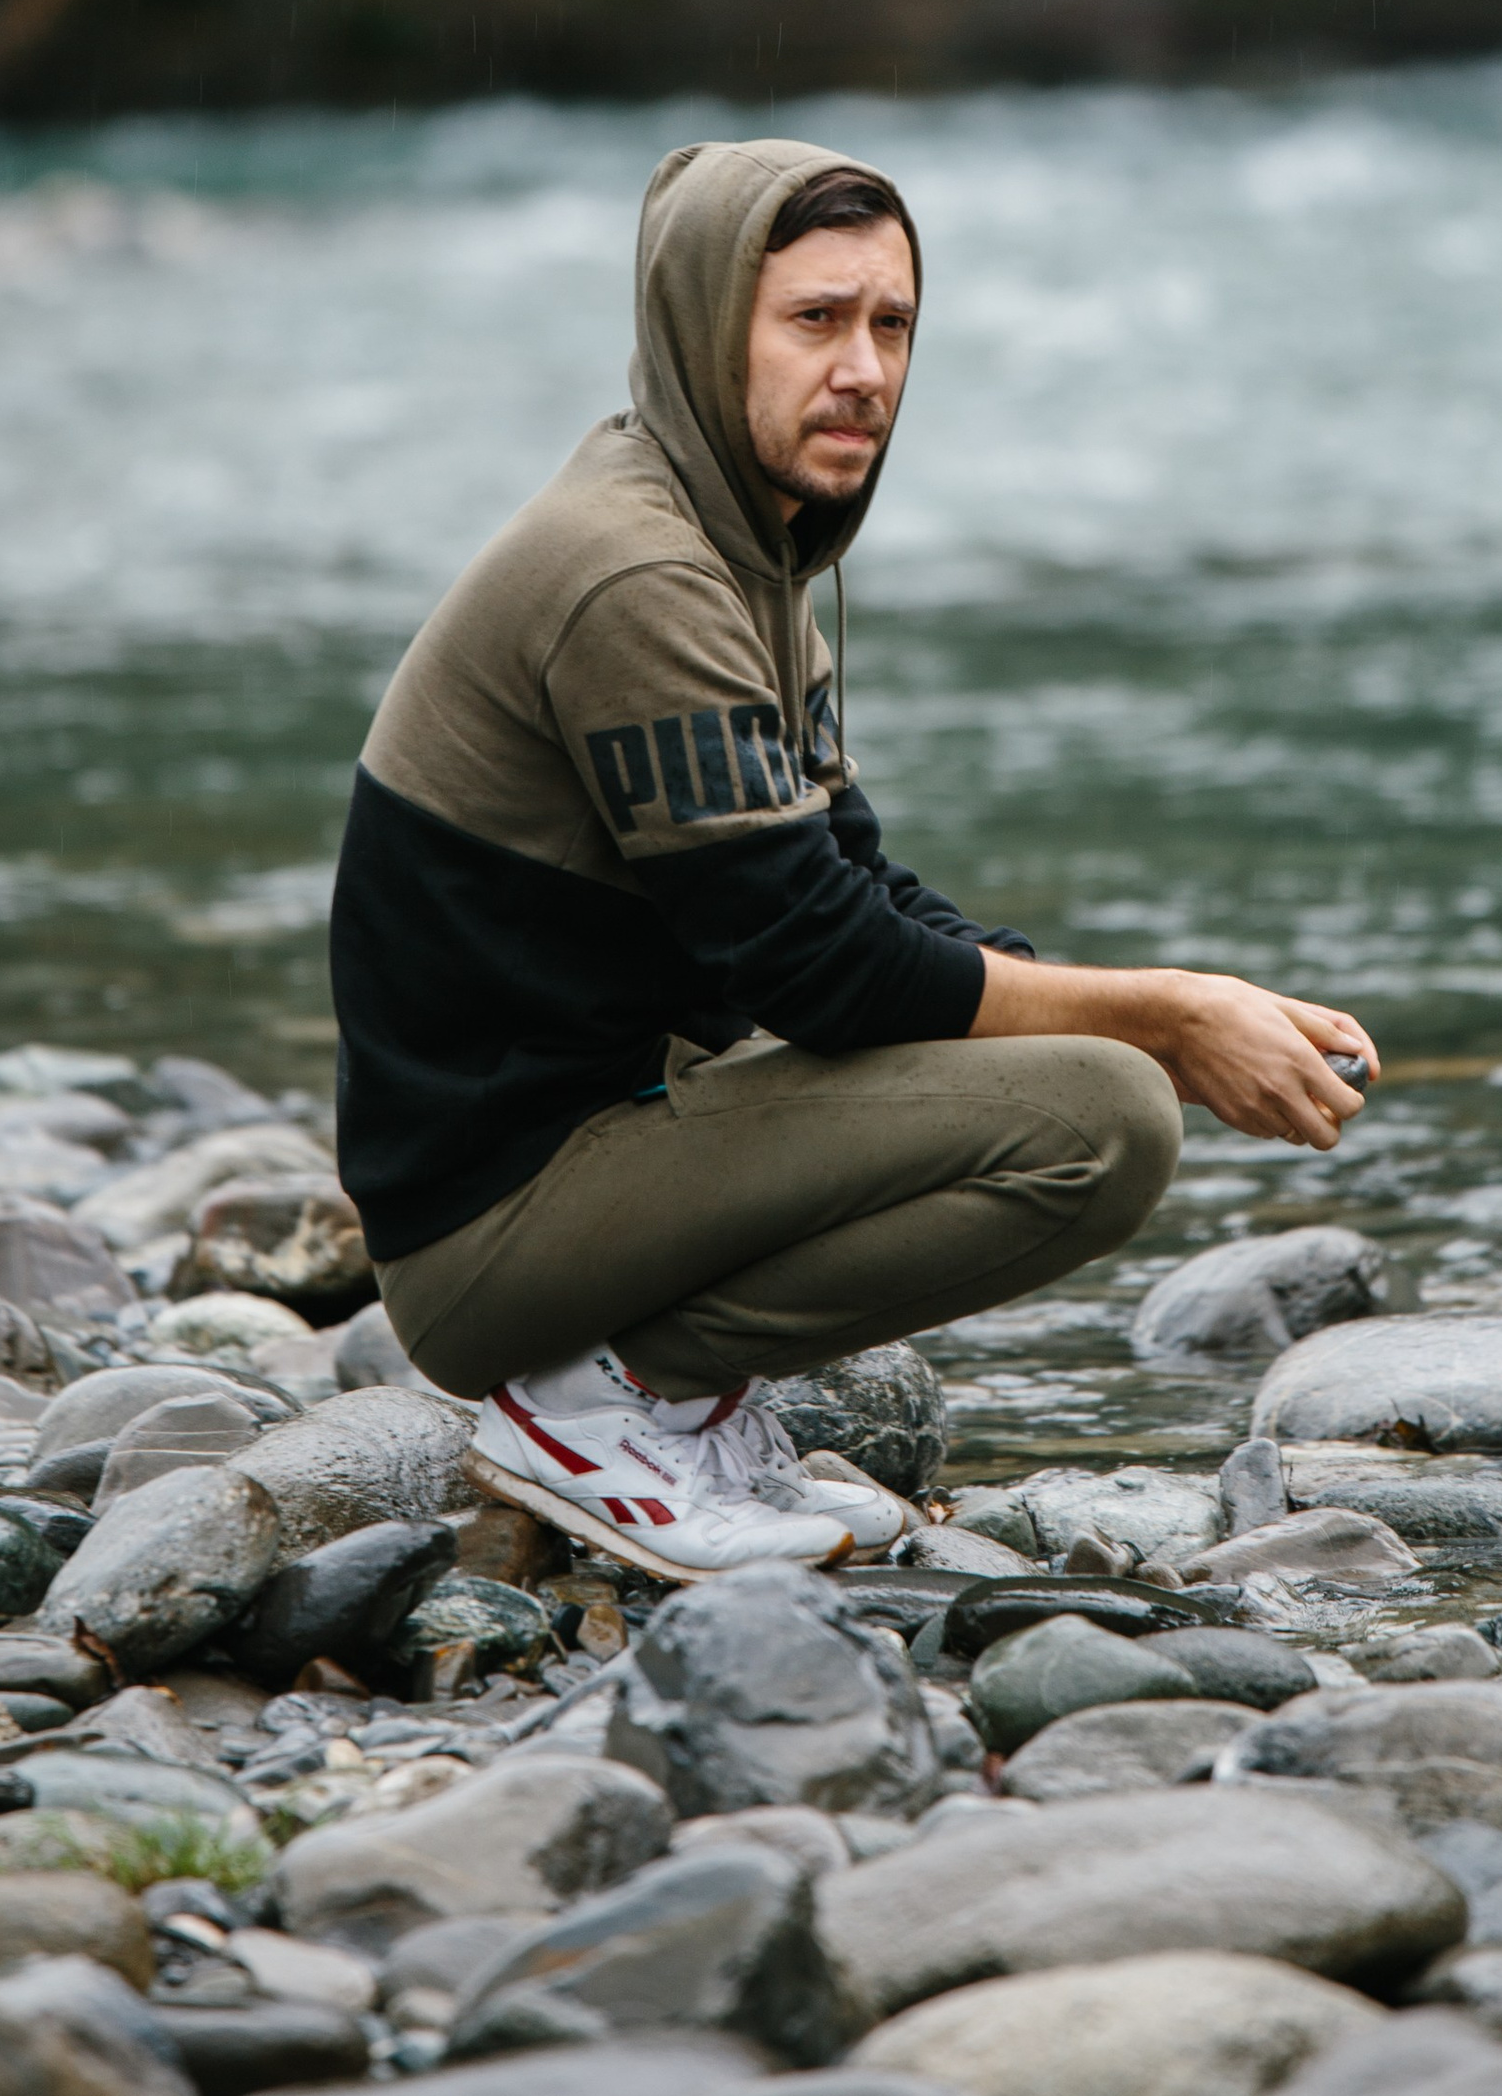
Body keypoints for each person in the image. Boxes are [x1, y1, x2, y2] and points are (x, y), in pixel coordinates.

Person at [332, 134, 1376, 1575]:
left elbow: (855, 892)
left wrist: (1152, 997)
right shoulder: (637, 575)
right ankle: (606, 1405)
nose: (867, 369)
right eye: (815, 320)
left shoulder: (749, 558)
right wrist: (1169, 1011)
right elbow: (819, 972)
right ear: (709, 331)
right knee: (1106, 1121)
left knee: (1077, 1071)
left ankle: (666, 1403)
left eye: (892, 325)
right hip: (494, 1229)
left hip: (610, 1127)